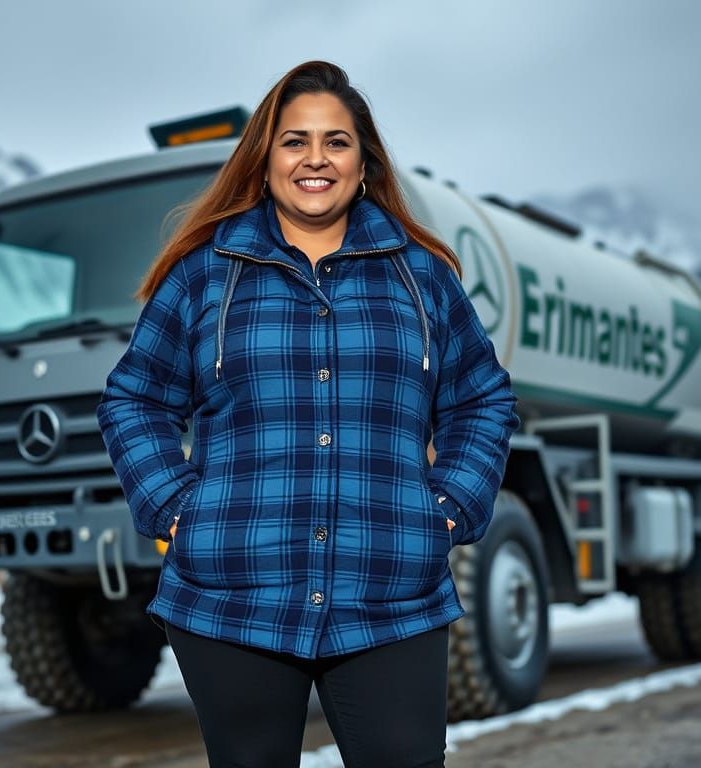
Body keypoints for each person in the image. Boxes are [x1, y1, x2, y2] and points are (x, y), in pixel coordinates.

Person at [96, 60, 521, 768]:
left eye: (336, 142)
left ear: (364, 162)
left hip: (392, 591)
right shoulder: (205, 275)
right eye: (294, 141)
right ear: (264, 161)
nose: (315, 159)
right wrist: (173, 506)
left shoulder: (422, 278)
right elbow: (133, 397)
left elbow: (482, 396)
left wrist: (451, 507)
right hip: (233, 595)